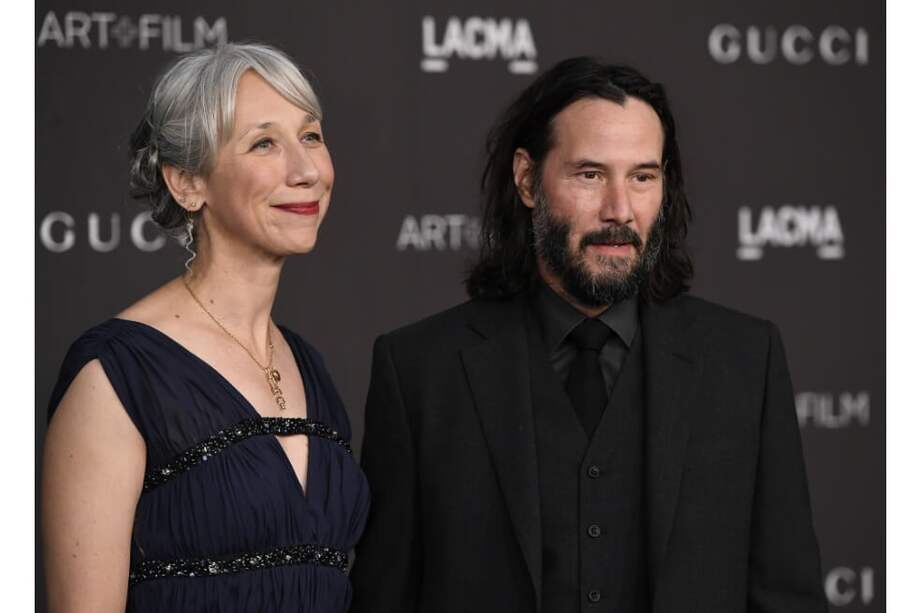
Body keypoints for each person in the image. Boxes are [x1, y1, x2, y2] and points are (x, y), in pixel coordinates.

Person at [350, 57, 826, 612]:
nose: (619, 210)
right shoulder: (419, 371)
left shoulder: (746, 361)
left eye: (643, 177)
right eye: (590, 174)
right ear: (528, 179)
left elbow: (788, 598)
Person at [41, 43, 369, 613]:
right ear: (187, 183)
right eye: (265, 142)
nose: (307, 170)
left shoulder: (308, 365)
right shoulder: (116, 373)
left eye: (311, 136)